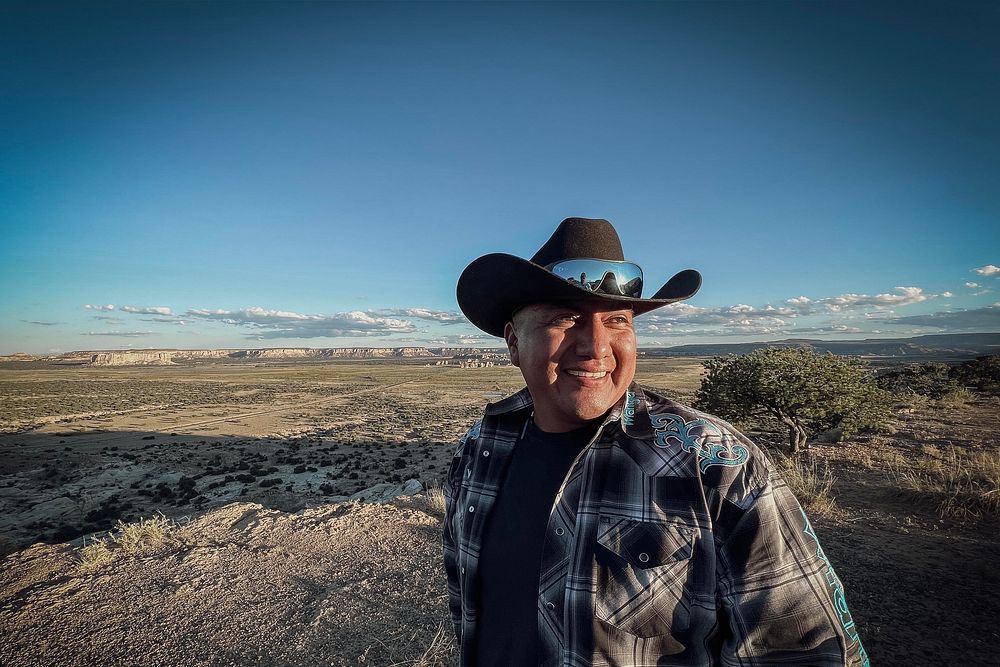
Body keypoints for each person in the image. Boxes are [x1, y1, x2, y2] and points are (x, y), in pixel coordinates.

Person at [443, 217, 869, 667]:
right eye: (565, 317)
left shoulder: (712, 463)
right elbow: (469, 604)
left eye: (617, 321)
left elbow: (805, 650)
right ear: (513, 342)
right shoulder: (481, 448)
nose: (596, 346)